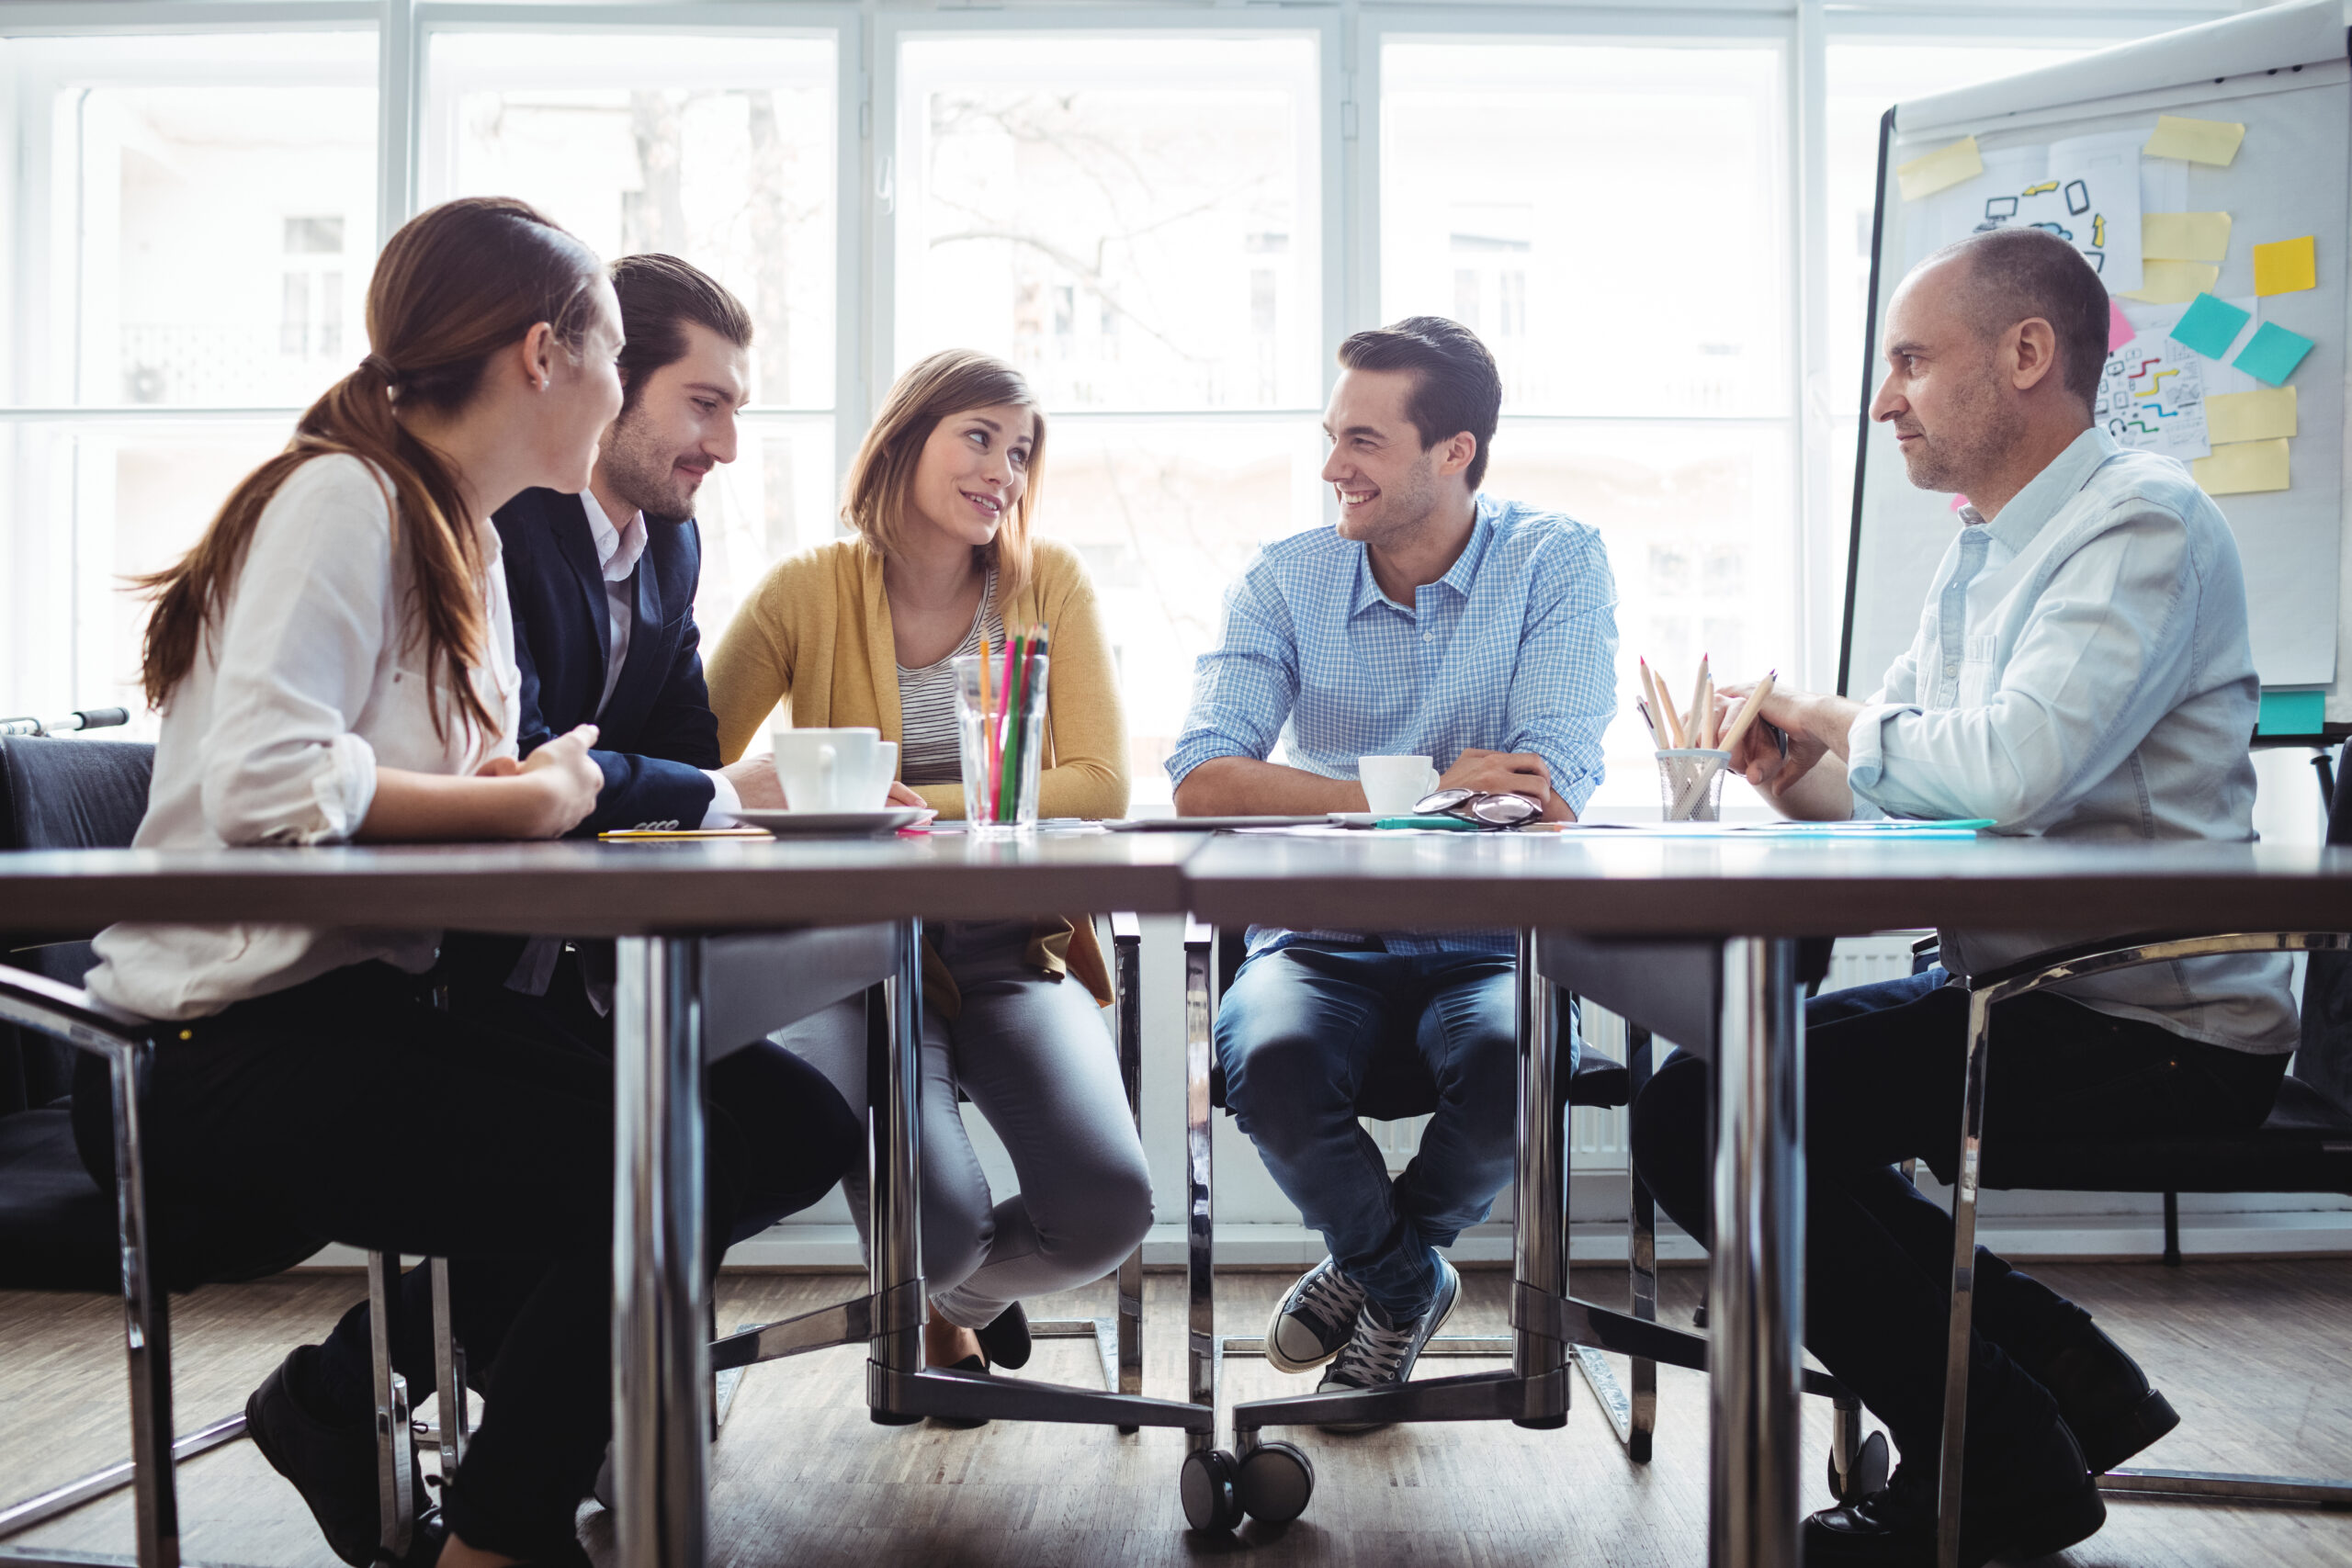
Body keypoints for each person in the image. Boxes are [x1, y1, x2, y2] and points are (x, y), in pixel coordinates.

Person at [71, 197, 738, 1568]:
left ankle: (461, 1464)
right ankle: (496, 1530)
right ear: (543, 355)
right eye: (613, 358)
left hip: (362, 1004)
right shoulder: (340, 497)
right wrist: (544, 793)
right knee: (645, 1170)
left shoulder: (463, 533)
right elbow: (270, 781)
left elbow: (461, 785)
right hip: (200, 1050)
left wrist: (526, 790)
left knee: (707, 1129)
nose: (616, 392)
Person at [1630, 226, 2299, 1567]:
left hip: (2151, 1028)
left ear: (2030, 355)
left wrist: (1825, 709)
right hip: (2027, 991)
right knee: (1716, 1105)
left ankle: (2004, 1455)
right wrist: (1799, 778)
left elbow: (2012, 764)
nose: (1887, 400)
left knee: (1717, 1113)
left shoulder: (2145, 521)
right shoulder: (1983, 550)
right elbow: (1918, 801)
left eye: (1912, 362)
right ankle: (2054, 1383)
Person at [263, 252, 864, 1551]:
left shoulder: (667, 543)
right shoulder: (492, 519)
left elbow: (669, 755)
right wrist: (667, 785)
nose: (727, 443)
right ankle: (507, 1477)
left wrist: (672, 785)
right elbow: (555, 759)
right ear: (600, 381)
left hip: (554, 958)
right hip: (439, 969)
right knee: (664, 1158)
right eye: (703, 403)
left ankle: (364, 1382)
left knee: (793, 1123)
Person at [1168, 316, 1618, 1416]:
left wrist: (1390, 795)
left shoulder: (1555, 561)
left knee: (1519, 1058)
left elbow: (1547, 787)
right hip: (1316, 936)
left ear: (1453, 452)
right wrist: (1420, 793)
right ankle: (1407, 1281)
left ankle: (1373, 1268)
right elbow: (1203, 777)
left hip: (1491, 945)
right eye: (1333, 436)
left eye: (1363, 441)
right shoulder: (1285, 582)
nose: (1333, 468)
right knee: (1267, 1060)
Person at [704, 348, 1150, 1393]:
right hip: (851, 960)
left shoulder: (1050, 586)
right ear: (904, 439)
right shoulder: (804, 592)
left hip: (1008, 947)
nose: (1005, 469)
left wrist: (886, 806)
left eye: (1021, 450)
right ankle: (934, 1294)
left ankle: (953, 1310)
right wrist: (781, 792)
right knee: (934, 1234)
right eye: (980, 438)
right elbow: (689, 772)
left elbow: (1096, 785)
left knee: (1105, 1216)